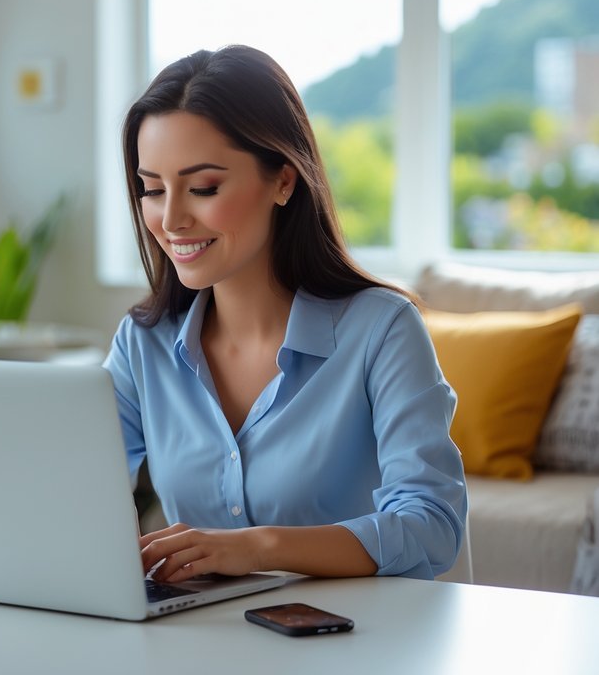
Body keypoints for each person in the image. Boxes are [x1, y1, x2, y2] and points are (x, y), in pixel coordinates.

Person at [103, 45, 466, 583]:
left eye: (203, 188)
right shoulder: (143, 342)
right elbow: (70, 491)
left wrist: (260, 548)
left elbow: (431, 526)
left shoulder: (382, 331)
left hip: (363, 629)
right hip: (205, 630)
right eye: (152, 189)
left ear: (284, 180)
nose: (171, 218)